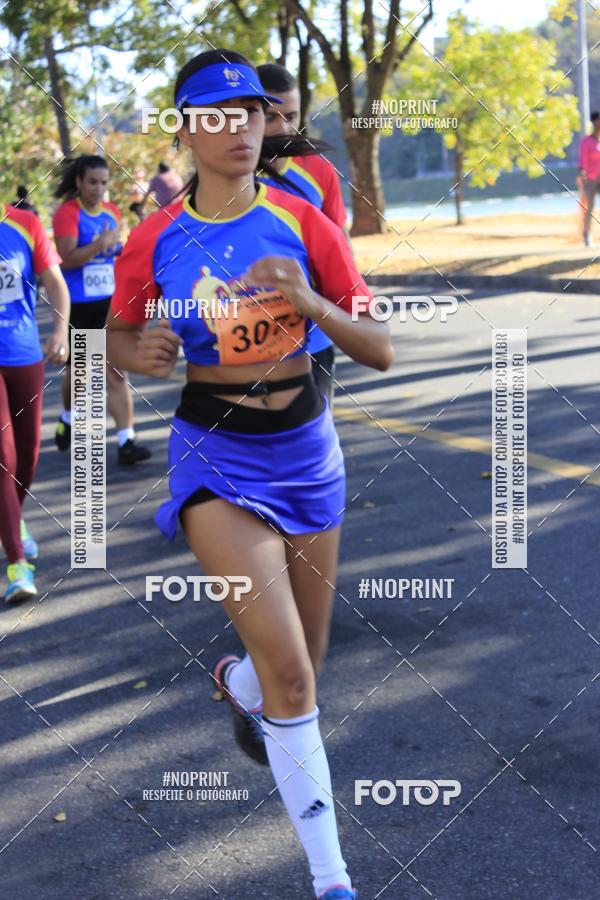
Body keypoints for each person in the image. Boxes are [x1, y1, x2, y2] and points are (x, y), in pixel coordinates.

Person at [107, 49, 393, 900]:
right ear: (187, 128)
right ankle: (333, 881)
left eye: (253, 114)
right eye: (218, 115)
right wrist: (139, 351)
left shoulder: (305, 221)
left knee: (302, 664)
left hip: (306, 450)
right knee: (294, 678)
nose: (240, 129)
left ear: (268, 123)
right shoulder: (155, 238)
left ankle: (241, 683)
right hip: (215, 453)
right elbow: (116, 335)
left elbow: (379, 348)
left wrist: (309, 302)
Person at [257, 63, 350, 405]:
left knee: (316, 430)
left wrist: (349, 310)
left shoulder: (318, 169)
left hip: (313, 339)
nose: (283, 128)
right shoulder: (225, 173)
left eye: (292, 117)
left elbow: (340, 245)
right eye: (271, 117)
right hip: (245, 340)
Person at [52, 155, 151, 464]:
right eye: (92, 182)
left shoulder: (112, 212)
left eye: (103, 183)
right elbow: (67, 259)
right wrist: (100, 243)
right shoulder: (68, 213)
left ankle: (126, 442)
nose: (98, 188)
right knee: (80, 375)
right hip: (80, 305)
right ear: (79, 182)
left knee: (116, 374)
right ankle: (68, 417)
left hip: (110, 303)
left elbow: (115, 252)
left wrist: (124, 247)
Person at [0, 200, 70, 602]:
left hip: (24, 352)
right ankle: (17, 564)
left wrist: (60, 332)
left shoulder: (24, 223)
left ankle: (12, 519)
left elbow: (55, 283)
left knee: (27, 458)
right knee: (3, 457)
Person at [578, 111, 600, 246]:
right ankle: (586, 235)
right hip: (590, 179)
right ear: (594, 122)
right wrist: (583, 174)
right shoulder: (586, 141)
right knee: (590, 206)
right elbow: (582, 161)